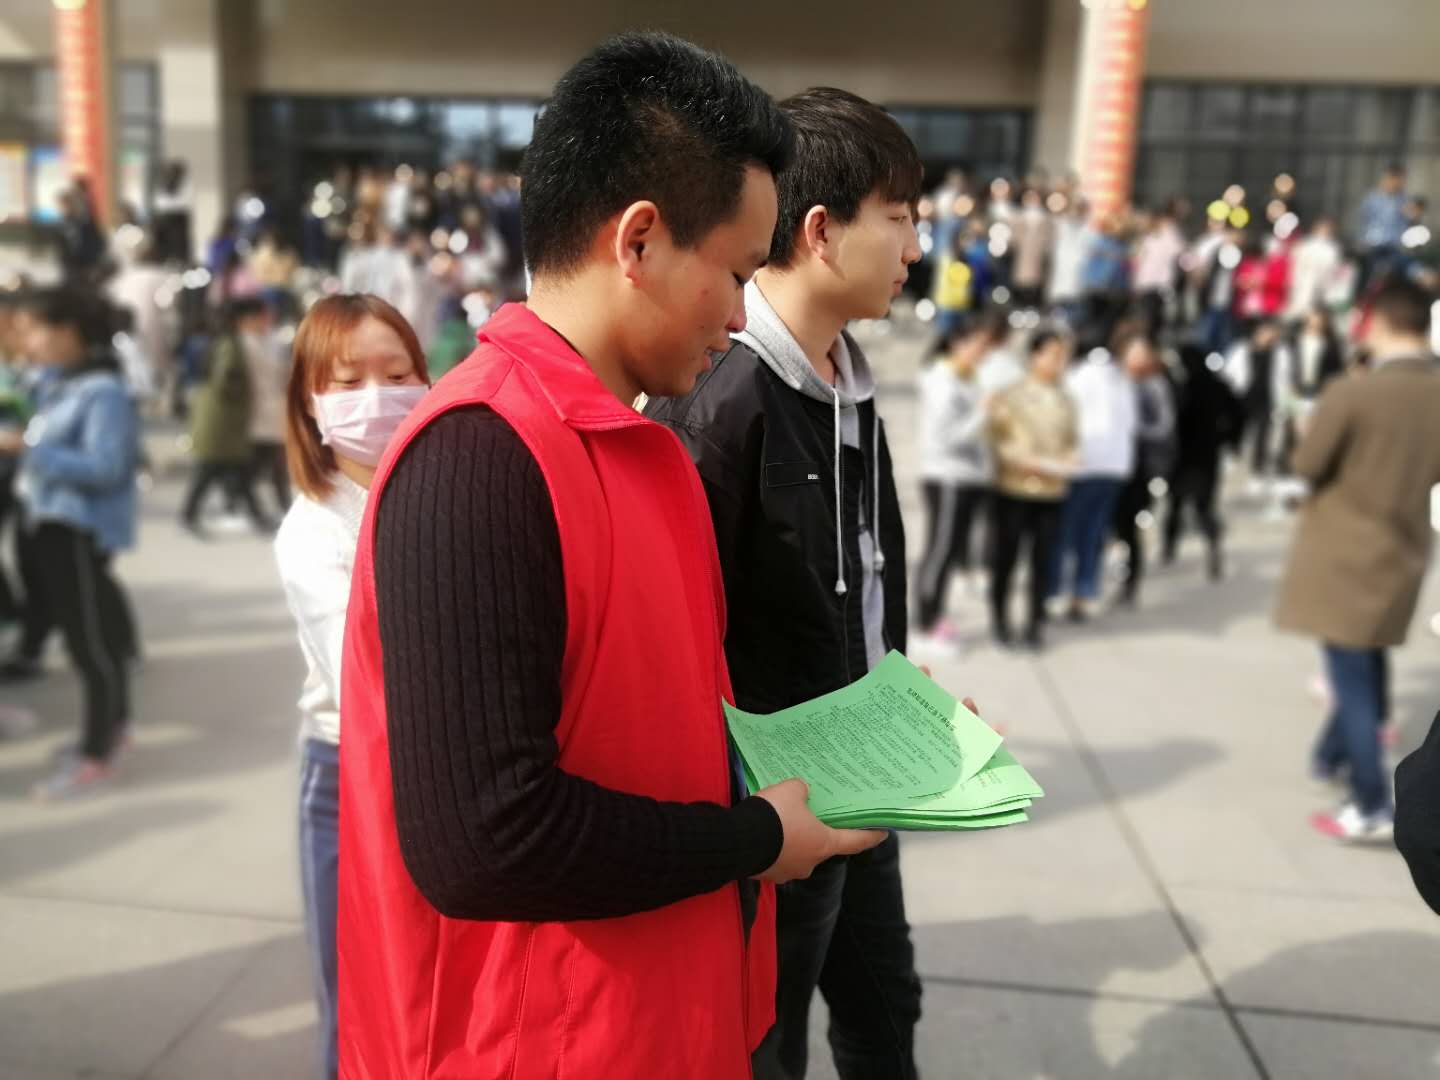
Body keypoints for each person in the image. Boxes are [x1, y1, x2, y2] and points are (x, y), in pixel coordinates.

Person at [337, 33, 882, 1080]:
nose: (740, 315)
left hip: (662, 1023)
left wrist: (866, 747)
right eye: (735, 272)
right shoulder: (480, 455)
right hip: (537, 1048)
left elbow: (656, 731)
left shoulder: (642, 447)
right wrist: (758, 840)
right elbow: (484, 842)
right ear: (638, 241)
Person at [645, 88, 924, 1079]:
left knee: (886, 1010)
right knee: (769, 1042)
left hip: (869, 773)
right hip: (782, 806)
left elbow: (862, 588)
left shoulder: (848, 377)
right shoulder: (720, 400)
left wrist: (908, 704)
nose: (915, 246)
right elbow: (683, 647)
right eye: (899, 217)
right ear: (820, 231)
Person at [274, 294, 429, 1080]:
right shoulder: (314, 530)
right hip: (350, 776)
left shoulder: (437, 488)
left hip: (441, 765)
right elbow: (365, 681)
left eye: (397, 375)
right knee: (359, 1011)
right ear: (310, 401)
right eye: (348, 380)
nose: (376, 397)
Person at [1274, 277, 1440, 843]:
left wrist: (1309, 425)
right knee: (1367, 660)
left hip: (1344, 552)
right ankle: (1330, 755)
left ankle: (1370, 800)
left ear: (1379, 322)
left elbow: (1308, 462)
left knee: (1351, 674)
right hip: (1404, 547)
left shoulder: (1355, 392)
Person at [4, 288, 140, 799]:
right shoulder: (59, 381)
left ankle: (96, 754)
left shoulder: (102, 391)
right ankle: (113, 734)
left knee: (89, 646)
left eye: (35, 329)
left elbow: (107, 467)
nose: (28, 340)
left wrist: (28, 450)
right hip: (48, 523)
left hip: (75, 530)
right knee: (90, 638)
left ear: (66, 332)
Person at [911, 311, 1010, 651]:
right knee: (940, 551)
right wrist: (984, 412)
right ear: (958, 343)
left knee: (951, 551)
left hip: (968, 478)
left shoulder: (969, 379)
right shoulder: (943, 380)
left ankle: (935, 617)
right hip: (947, 477)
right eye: (978, 344)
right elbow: (948, 437)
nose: (984, 352)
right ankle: (924, 624)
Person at [987, 329, 1078, 648]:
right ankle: (1000, 621)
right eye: (1052, 354)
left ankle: (1035, 624)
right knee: (1006, 560)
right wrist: (1023, 461)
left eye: (1063, 356)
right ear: (1034, 356)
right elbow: (997, 439)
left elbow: (1071, 441)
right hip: (1014, 489)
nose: (1058, 362)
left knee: (1043, 562)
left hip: (1051, 493)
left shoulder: (1065, 399)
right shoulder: (1011, 395)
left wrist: (1069, 462)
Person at [1049, 333, 1139, 621]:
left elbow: (1063, 420)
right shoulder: (1121, 380)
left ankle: (1057, 591)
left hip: (1082, 465)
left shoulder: (1076, 378)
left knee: (1066, 533)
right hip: (1113, 467)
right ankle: (1084, 593)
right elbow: (1131, 424)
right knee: (1094, 533)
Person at [180, 297, 273, 537]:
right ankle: (188, 515)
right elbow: (227, 379)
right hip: (223, 421)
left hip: (222, 419)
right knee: (211, 468)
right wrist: (244, 394)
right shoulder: (232, 345)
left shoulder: (222, 340)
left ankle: (256, 516)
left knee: (233, 469)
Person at [1163, 345, 1244, 579]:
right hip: (1207, 455)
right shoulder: (1216, 385)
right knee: (1204, 507)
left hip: (1183, 455)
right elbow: (1239, 414)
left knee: (1176, 504)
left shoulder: (1181, 388)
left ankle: (1170, 549)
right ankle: (1212, 547)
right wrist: (1230, 439)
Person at [1110, 336, 1175, 607]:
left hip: (1139, 466)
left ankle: (1130, 582)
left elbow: (1164, 424)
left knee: (1130, 527)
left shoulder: (1155, 386)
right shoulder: (1112, 382)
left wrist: (1133, 429)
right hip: (1108, 465)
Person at [1223, 318, 1292, 483]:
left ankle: (1258, 466)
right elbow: (1228, 373)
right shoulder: (1241, 350)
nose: (1270, 336)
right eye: (1266, 332)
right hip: (1244, 397)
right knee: (1239, 430)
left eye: (1273, 332)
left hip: (1267, 398)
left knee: (1263, 432)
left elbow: (1286, 379)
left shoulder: (1281, 353)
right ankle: (1233, 455)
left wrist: (1288, 405)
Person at [1355, 163, 1408, 288]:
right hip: (1373, 247)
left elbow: (1406, 225)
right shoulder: (1372, 199)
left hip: (1394, 248)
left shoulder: (1404, 201)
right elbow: (1363, 221)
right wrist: (1361, 242)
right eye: (1392, 178)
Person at [1285, 219, 1344, 323]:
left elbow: (1333, 269)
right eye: (1322, 228)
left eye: (1327, 229)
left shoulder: (1332, 249)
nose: (1324, 231)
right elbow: (1295, 262)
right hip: (1301, 281)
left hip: (1319, 285)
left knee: (1312, 311)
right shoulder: (1305, 244)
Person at [1009, 187, 1052, 309]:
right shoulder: (1018, 217)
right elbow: (1013, 238)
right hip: (1021, 257)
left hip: (1039, 257)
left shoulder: (1045, 218)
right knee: (1021, 284)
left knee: (1036, 285)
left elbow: (1049, 237)